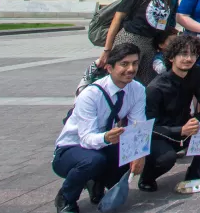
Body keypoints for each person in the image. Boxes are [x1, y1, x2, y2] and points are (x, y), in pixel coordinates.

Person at [53, 42, 147, 213]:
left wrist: (138, 153)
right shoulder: (90, 95)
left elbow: (138, 125)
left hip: (105, 143)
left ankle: (96, 182)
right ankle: (66, 197)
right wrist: (106, 138)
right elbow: (86, 138)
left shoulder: (137, 90)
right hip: (72, 148)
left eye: (134, 63)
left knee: (126, 159)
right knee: (93, 161)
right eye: (124, 64)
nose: (131, 69)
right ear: (109, 68)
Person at [141, 35, 200, 191]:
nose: (189, 58)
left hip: (186, 126)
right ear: (172, 57)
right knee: (167, 158)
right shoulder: (155, 88)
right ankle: (147, 176)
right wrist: (180, 130)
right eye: (183, 54)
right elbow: (149, 127)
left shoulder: (195, 73)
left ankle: (197, 168)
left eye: (193, 54)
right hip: (162, 134)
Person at [98, 0, 173, 85]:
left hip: (150, 43)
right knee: (121, 78)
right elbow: (118, 18)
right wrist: (107, 50)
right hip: (131, 38)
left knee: (146, 83)